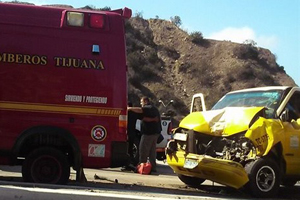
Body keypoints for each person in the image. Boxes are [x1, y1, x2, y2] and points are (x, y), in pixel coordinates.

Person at [128, 97, 162, 173]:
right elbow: (151, 119)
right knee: (152, 151)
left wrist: (129, 108)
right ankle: (153, 167)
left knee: (143, 149)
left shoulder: (148, 108)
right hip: (155, 133)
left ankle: (142, 167)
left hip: (148, 133)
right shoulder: (154, 109)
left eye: (141, 102)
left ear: (145, 101)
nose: (141, 104)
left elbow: (140, 110)